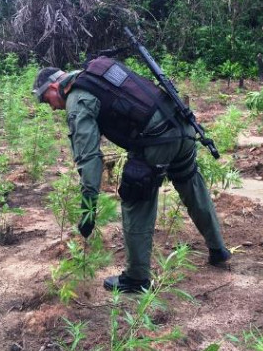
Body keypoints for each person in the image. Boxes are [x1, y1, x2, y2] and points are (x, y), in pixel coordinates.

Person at [33, 57, 232, 293]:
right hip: (182, 127)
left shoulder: (78, 98)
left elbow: (88, 158)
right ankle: (218, 249)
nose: (53, 107)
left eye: (48, 101)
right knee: (191, 184)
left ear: (55, 88)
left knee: (135, 198)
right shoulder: (97, 75)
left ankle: (137, 279)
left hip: (157, 139)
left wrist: (88, 209)